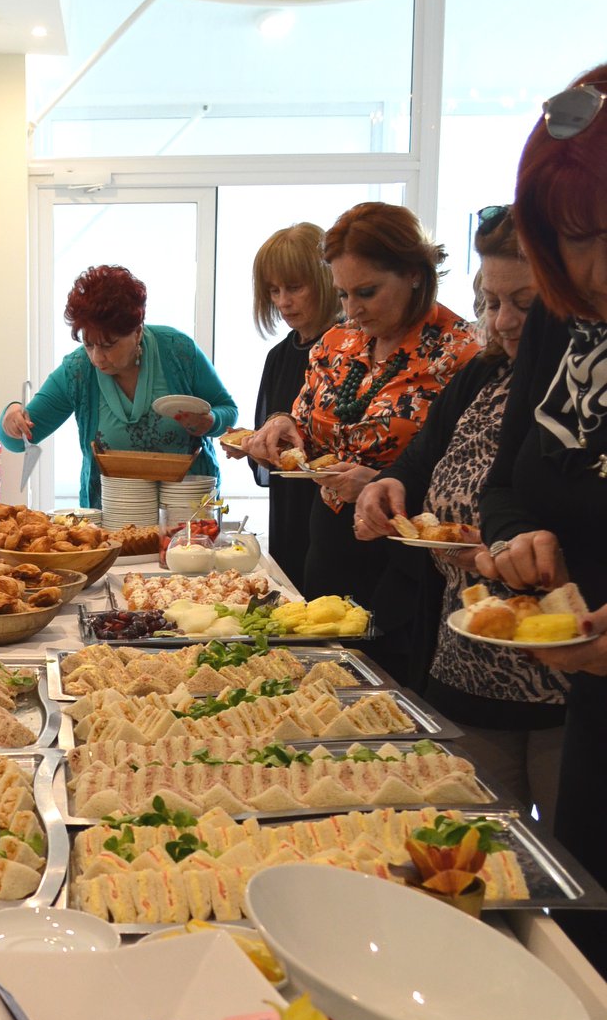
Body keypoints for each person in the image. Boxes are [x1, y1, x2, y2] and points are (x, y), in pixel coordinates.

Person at [352, 207, 566, 820]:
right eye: (492, 302)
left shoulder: (577, 389)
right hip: (465, 660)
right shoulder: (485, 372)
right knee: (471, 845)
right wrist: (387, 486)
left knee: (570, 863)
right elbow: (419, 460)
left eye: (525, 304)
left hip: (562, 677)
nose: (504, 321)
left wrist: (500, 549)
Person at [474, 66, 607, 972]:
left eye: (597, 235)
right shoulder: (567, 319)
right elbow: (507, 482)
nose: (582, 270)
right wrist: (517, 535)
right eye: (563, 239)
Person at [244, 203, 480, 615]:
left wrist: (381, 482)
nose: (352, 309)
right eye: (343, 294)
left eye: (366, 292)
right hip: (328, 549)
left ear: (414, 274)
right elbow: (308, 431)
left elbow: (474, 486)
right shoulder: (338, 341)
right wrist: (282, 425)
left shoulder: (460, 354)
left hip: (410, 566)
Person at [0, 264, 236, 509]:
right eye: (88, 344)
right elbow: (18, 441)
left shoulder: (178, 351)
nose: (97, 358)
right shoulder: (77, 371)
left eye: (108, 345)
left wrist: (211, 422)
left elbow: (228, 411)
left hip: (188, 515)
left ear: (137, 331)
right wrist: (11, 417)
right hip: (110, 516)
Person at [224, 222, 339, 589]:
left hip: (336, 515)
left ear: (326, 280)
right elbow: (277, 458)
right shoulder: (278, 356)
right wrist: (254, 445)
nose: (283, 301)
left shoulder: (351, 350)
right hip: (289, 510)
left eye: (294, 287)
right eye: (274, 290)